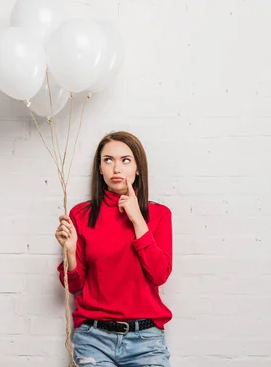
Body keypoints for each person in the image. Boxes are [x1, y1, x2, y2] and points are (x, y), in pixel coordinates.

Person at [55, 131, 173, 367]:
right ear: (100, 168)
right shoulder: (81, 214)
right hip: (93, 339)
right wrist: (69, 252)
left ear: (138, 168)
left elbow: (160, 275)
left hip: (146, 340)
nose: (116, 168)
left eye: (125, 160)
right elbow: (74, 286)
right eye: (108, 160)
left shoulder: (159, 214)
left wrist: (138, 220)